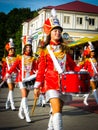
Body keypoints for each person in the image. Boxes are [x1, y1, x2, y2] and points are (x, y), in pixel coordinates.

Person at [33, 8, 80, 130]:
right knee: (57, 111)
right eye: (55, 30)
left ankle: (50, 127)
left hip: (64, 84)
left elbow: (72, 65)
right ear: (50, 33)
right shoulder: (45, 50)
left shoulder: (64, 49)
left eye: (59, 30)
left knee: (57, 110)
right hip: (51, 83)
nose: (57, 32)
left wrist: (82, 71)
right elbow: (41, 69)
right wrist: (37, 86)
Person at [5, 36, 37, 123]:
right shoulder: (20, 57)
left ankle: (20, 112)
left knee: (25, 97)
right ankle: (27, 116)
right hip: (21, 79)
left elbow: (35, 68)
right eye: (27, 47)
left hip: (29, 80)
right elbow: (14, 67)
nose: (29, 48)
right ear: (24, 48)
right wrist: (7, 73)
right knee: (24, 97)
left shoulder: (33, 58)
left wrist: (38, 73)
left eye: (30, 47)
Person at [2, 38, 18, 110]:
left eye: (13, 49)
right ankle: (12, 105)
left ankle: (7, 103)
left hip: (15, 75)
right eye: (10, 49)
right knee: (11, 89)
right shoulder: (6, 59)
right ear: (8, 50)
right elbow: (3, 68)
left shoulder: (17, 58)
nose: (12, 50)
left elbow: (18, 67)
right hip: (8, 76)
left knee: (11, 90)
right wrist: (3, 76)